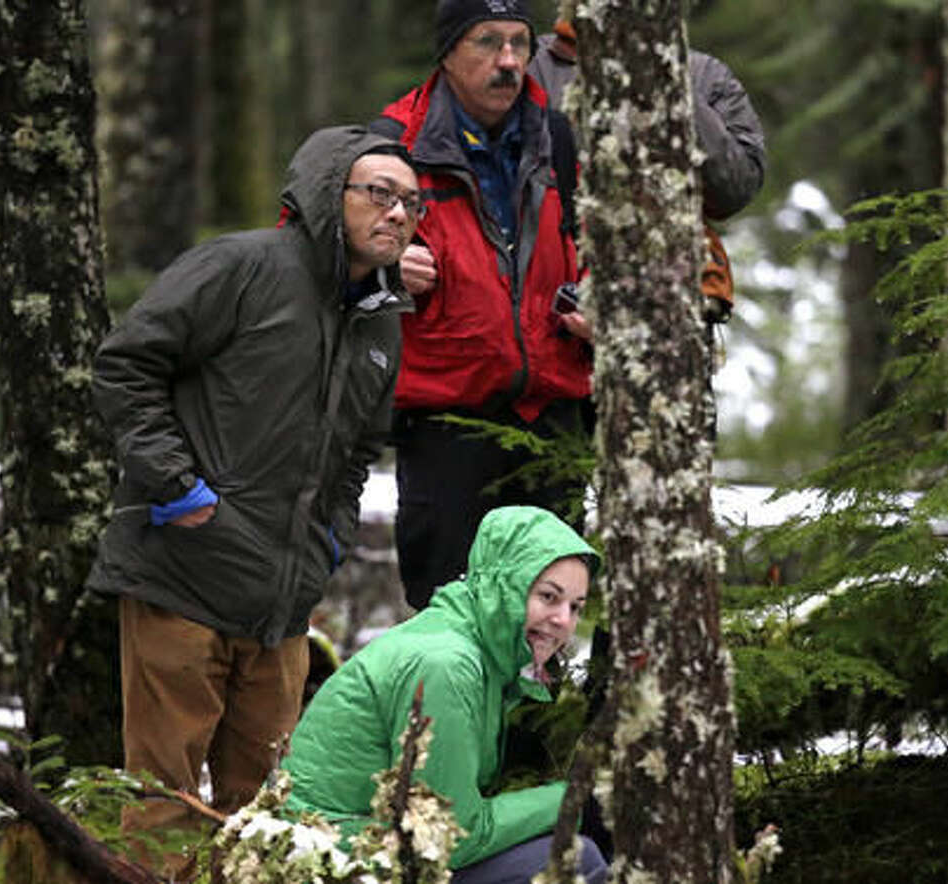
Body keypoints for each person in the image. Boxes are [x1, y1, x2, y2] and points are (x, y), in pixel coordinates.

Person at [86, 125, 421, 875]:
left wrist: (326, 539)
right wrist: (176, 487)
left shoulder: (381, 319)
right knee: (165, 809)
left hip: (283, 605)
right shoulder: (242, 267)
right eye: (378, 193)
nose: (397, 214)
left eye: (411, 203)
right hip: (182, 577)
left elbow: (358, 451)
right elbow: (126, 366)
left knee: (265, 813)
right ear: (328, 196)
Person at [370, 0, 593, 610]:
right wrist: (382, 268)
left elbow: (597, 246)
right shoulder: (393, 145)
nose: (509, 61)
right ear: (446, 53)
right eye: (488, 42)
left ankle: (541, 712)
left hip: (550, 415)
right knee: (451, 619)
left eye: (520, 43)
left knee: (546, 623)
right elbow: (319, 262)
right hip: (445, 427)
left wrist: (599, 303)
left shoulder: (559, 140)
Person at [282, 505, 608, 883]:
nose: (564, 621)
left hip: (362, 849)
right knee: (577, 859)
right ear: (504, 586)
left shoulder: (473, 650)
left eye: (575, 607)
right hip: (334, 863)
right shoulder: (447, 666)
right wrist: (573, 799)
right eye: (548, 597)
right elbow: (446, 836)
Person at [529, 19, 766, 438]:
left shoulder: (703, 75)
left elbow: (735, 188)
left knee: (663, 485)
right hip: (547, 325)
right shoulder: (526, 62)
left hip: (662, 329)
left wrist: (667, 77)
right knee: (547, 492)